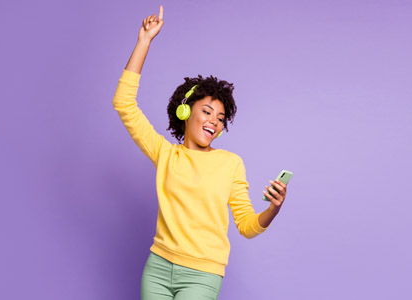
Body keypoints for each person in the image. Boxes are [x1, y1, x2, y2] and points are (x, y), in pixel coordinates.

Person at [113, 6, 290, 300]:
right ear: (185, 111)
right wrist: (144, 41)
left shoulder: (230, 163)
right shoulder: (166, 154)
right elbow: (124, 103)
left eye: (220, 118)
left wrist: (273, 208)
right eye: (207, 111)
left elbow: (246, 226)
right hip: (157, 267)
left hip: (203, 275)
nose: (214, 122)